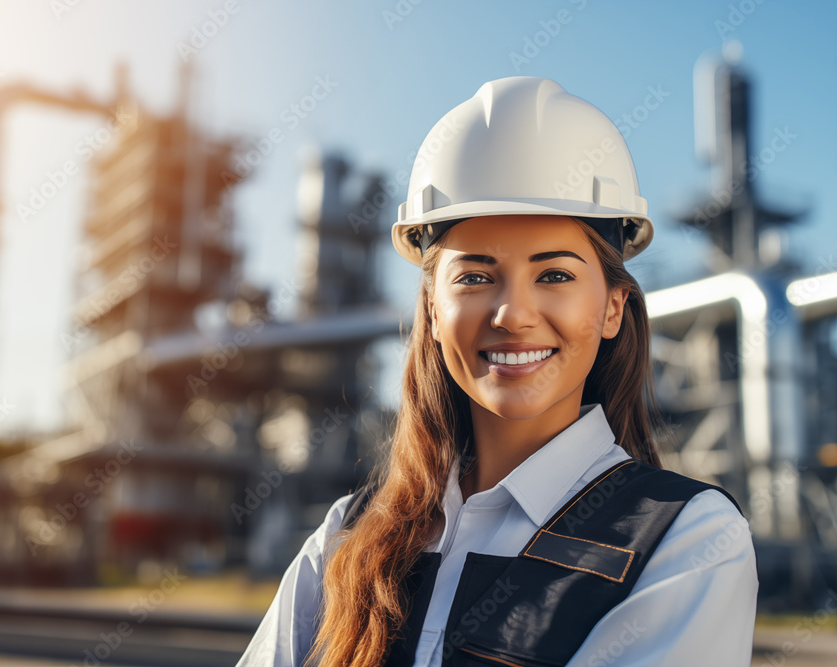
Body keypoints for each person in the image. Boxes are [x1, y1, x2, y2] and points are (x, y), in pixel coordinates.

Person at [236, 76, 758, 667]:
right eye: (475, 276)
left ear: (612, 306)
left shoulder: (684, 539)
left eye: (555, 275)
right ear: (433, 308)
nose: (512, 315)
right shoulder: (345, 536)